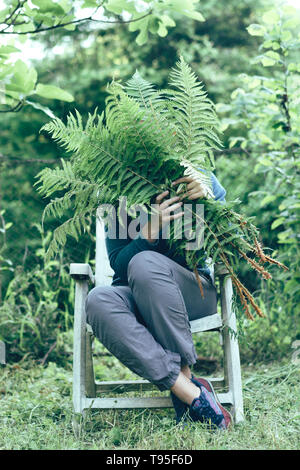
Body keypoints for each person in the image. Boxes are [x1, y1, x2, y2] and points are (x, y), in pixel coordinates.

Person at [85, 173, 232, 429]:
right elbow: (119, 263)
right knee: (98, 299)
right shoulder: (116, 188)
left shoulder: (196, 174)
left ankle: (187, 399)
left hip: (193, 291)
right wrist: (149, 230)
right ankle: (193, 394)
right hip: (135, 293)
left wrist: (209, 199)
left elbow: (232, 240)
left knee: (146, 264)